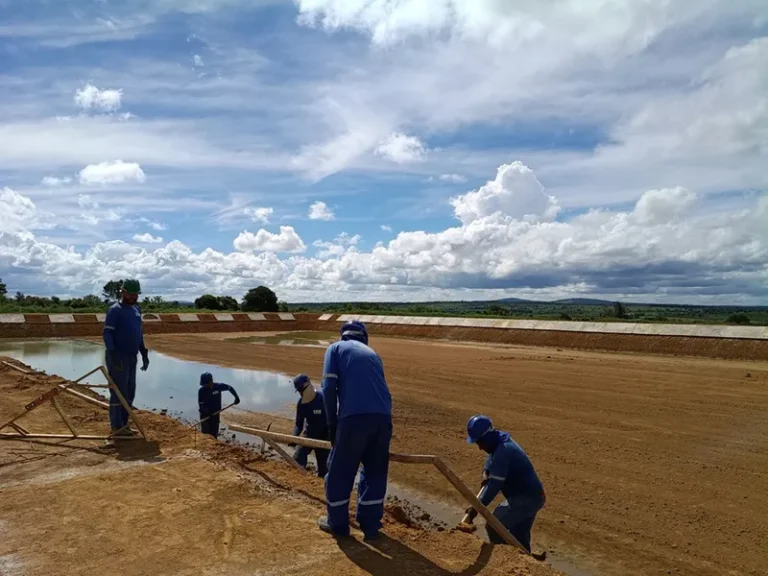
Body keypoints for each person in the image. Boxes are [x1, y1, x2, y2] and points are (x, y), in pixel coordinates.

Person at [317, 320, 392, 541]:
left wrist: (332, 424)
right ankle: (371, 526)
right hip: (383, 418)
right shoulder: (374, 354)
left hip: (354, 418)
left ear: (343, 336)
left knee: (340, 470)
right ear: (364, 337)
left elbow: (328, 387)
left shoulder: (335, 349)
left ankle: (337, 524)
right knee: (375, 471)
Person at [464, 414, 546, 553]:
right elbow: (491, 459)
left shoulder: (504, 451)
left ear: (487, 436)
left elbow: (494, 485)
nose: (480, 448)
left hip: (527, 499)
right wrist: (486, 471)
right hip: (528, 497)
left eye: (480, 443)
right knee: (519, 535)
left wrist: (476, 507)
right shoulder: (499, 441)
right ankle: (525, 558)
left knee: (494, 527)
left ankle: (506, 558)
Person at [102, 279, 149, 438]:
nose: (133, 297)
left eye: (136, 294)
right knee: (118, 393)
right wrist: (112, 353)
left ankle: (124, 425)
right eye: (131, 294)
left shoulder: (136, 310)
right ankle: (116, 427)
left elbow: (139, 333)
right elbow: (107, 333)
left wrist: (144, 352)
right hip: (118, 357)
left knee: (129, 392)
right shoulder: (115, 310)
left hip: (131, 357)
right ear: (123, 292)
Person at [289, 374, 330, 478]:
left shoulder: (323, 399)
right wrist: (293, 437)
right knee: (296, 461)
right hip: (309, 435)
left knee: (324, 472)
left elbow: (333, 421)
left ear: (308, 385)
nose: (301, 393)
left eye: (302, 390)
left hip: (324, 438)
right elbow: (299, 424)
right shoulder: (301, 404)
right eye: (299, 391)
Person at [198, 372, 240, 438]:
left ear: (211, 381)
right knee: (205, 435)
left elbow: (230, 388)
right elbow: (201, 405)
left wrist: (236, 397)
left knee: (214, 433)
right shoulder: (201, 391)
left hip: (216, 414)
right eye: (204, 384)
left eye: (206, 384)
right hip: (205, 416)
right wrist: (208, 413)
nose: (205, 386)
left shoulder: (218, 387)